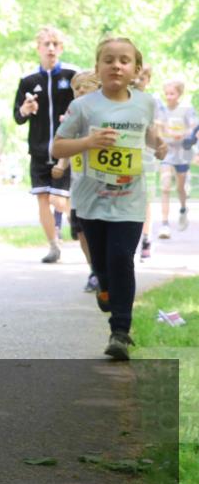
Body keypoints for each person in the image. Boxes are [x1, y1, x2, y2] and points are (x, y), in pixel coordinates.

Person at [53, 37, 167, 360]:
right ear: (98, 67)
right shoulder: (83, 107)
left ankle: (120, 331)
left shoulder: (145, 103)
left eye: (124, 60)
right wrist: (88, 141)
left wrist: (158, 144)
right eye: (109, 60)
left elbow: (149, 133)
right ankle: (103, 284)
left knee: (122, 259)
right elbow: (57, 148)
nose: (116, 65)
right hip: (91, 201)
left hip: (129, 201)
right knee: (102, 263)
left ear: (135, 69)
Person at [13, 26, 77, 263]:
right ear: (38, 48)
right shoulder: (28, 80)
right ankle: (53, 246)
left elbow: (86, 104)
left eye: (55, 44)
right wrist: (25, 109)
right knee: (42, 198)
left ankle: (78, 221)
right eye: (46, 44)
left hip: (65, 150)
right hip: (39, 150)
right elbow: (18, 117)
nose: (51, 48)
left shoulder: (72, 75)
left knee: (59, 199)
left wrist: (72, 118)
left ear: (61, 48)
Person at [52, 70, 101, 292]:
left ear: (98, 88)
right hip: (79, 185)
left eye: (85, 86)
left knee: (101, 231)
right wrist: (61, 165)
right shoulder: (72, 115)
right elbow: (65, 143)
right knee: (81, 231)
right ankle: (95, 270)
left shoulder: (105, 113)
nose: (80, 91)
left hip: (103, 185)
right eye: (76, 88)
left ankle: (107, 269)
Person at [156, 79, 196, 237]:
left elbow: (194, 129)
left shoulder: (187, 109)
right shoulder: (161, 110)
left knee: (180, 188)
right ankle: (164, 225)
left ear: (179, 94)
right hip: (167, 153)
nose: (168, 96)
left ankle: (183, 208)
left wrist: (184, 135)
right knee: (165, 186)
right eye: (166, 93)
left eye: (172, 93)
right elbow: (157, 128)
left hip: (183, 154)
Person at [131, 66, 158, 259]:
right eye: (135, 77)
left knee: (146, 199)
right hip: (127, 159)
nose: (137, 81)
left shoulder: (153, 102)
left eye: (142, 78)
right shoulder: (122, 99)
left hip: (147, 158)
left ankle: (146, 238)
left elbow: (158, 130)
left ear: (148, 80)